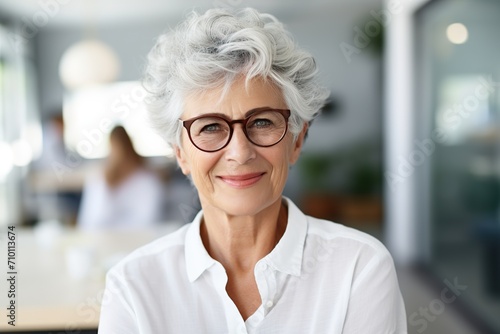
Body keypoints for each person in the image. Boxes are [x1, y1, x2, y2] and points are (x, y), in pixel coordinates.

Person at [98, 8, 407, 333]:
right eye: (211, 127)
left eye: (261, 122)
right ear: (181, 154)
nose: (240, 152)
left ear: (297, 140)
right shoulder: (132, 286)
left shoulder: (359, 268)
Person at [77, 125, 164, 229]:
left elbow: (150, 221)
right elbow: (90, 221)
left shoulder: (148, 181)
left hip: (136, 238)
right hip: (107, 238)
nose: (119, 154)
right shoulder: (100, 179)